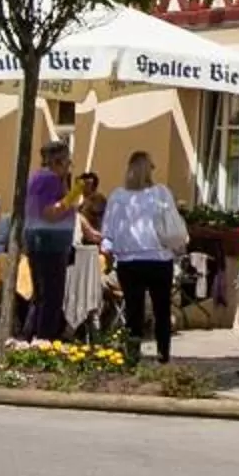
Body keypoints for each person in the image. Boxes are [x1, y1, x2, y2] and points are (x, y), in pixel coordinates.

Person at [100, 151, 190, 365]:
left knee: (133, 310)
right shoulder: (160, 193)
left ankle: (132, 355)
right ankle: (163, 354)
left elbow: (108, 233)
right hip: (159, 258)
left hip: (129, 261)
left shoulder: (117, 196)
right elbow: (172, 222)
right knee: (161, 309)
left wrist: (112, 251)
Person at [20, 140, 82, 340]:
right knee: (52, 297)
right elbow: (49, 213)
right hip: (50, 245)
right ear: (58, 161)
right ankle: (44, 341)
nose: (68, 167)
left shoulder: (37, 178)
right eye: (67, 163)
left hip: (40, 242)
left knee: (41, 296)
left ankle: (32, 336)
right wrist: (73, 196)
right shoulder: (50, 180)